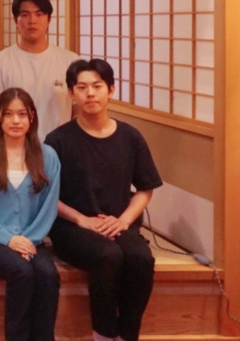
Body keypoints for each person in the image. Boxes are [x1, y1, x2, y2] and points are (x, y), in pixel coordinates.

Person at [45, 59, 163, 341]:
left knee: (140, 258)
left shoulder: (130, 137)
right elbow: (46, 195)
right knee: (108, 256)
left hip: (118, 223)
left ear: (110, 90)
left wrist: (123, 221)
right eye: (82, 87)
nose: (90, 93)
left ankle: (128, 334)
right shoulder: (58, 140)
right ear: (71, 93)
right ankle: (104, 334)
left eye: (97, 86)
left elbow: (145, 188)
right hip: (72, 226)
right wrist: (82, 220)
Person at [0, 88, 61, 341]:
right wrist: (9, 239)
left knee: (48, 275)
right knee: (22, 271)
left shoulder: (48, 156)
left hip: (32, 240)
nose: (16, 120)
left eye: (22, 114)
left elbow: (49, 208)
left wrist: (27, 240)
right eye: (8, 114)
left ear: (32, 117)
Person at [0, 0, 79, 139]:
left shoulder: (70, 61)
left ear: (49, 20)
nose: (32, 20)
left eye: (39, 14)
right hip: (14, 145)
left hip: (60, 147)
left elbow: (78, 110)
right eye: (25, 15)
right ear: (15, 20)